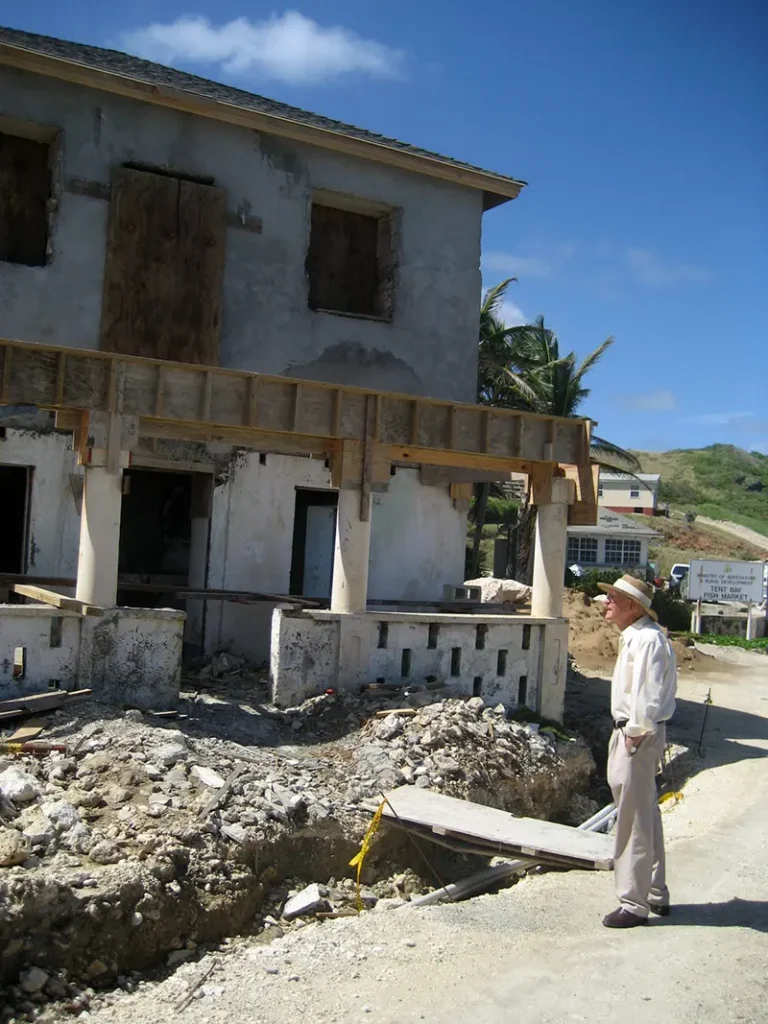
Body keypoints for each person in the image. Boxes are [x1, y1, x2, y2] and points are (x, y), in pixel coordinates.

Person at [597, 574, 677, 929]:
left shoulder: (647, 640)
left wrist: (634, 734)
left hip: (636, 735)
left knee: (632, 819)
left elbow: (648, 693)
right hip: (635, 733)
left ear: (633, 605)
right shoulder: (639, 637)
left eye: (614, 597)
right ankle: (655, 891)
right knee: (645, 813)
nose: (606, 602)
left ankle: (633, 903)